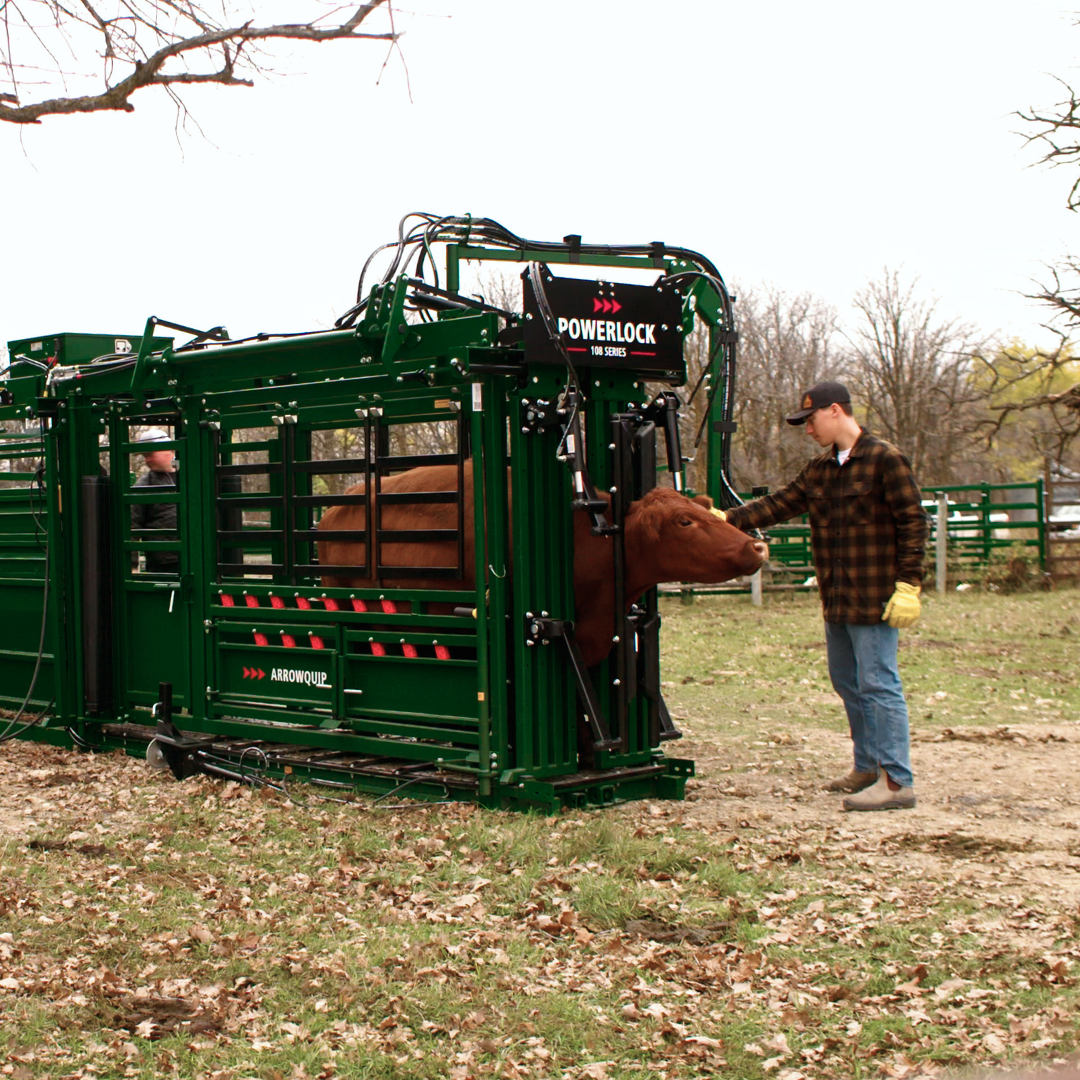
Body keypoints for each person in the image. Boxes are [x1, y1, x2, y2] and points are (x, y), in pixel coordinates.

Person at [722, 382, 927, 812]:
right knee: (848, 683)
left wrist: (909, 584)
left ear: (836, 411)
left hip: (875, 599)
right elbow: (779, 504)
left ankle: (896, 782)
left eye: (810, 420)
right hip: (836, 598)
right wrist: (724, 519)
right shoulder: (819, 470)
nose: (808, 429)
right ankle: (867, 767)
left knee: (878, 684)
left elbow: (913, 521)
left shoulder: (885, 460)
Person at [131, 427, 179, 573]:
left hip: (197, 555)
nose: (147, 460)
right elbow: (132, 524)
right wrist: (132, 565)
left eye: (150, 454)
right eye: (145, 456)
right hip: (163, 563)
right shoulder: (143, 485)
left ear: (169, 450)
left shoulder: (192, 475)